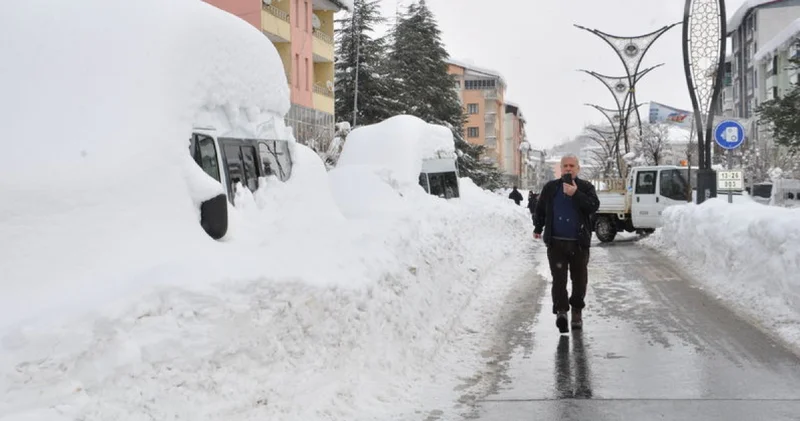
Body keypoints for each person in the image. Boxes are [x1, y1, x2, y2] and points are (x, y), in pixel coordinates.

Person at [533, 155, 600, 333]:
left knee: (579, 280)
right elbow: (540, 209)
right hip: (556, 243)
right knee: (559, 280)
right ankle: (561, 311)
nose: (568, 169)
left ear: (578, 168)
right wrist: (538, 227)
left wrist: (575, 194)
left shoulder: (586, 187)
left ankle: (576, 311)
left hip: (579, 244)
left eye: (572, 165)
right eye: (565, 166)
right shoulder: (551, 188)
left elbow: (593, 206)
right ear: (560, 168)